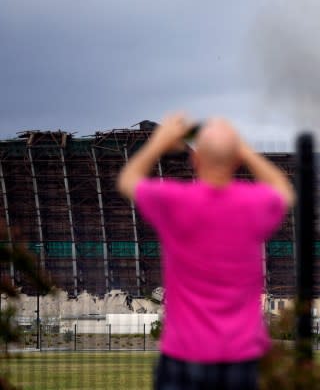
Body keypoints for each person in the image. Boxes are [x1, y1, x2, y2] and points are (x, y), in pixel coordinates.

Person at [117, 114, 294, 390]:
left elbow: (128, 180)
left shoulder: (175, 201)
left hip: (184, 352)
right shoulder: (253, 203)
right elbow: (283, 189)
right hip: (240, 354)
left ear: (195, 160)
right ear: (236, 160)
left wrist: (159, 142)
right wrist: (244, 149)